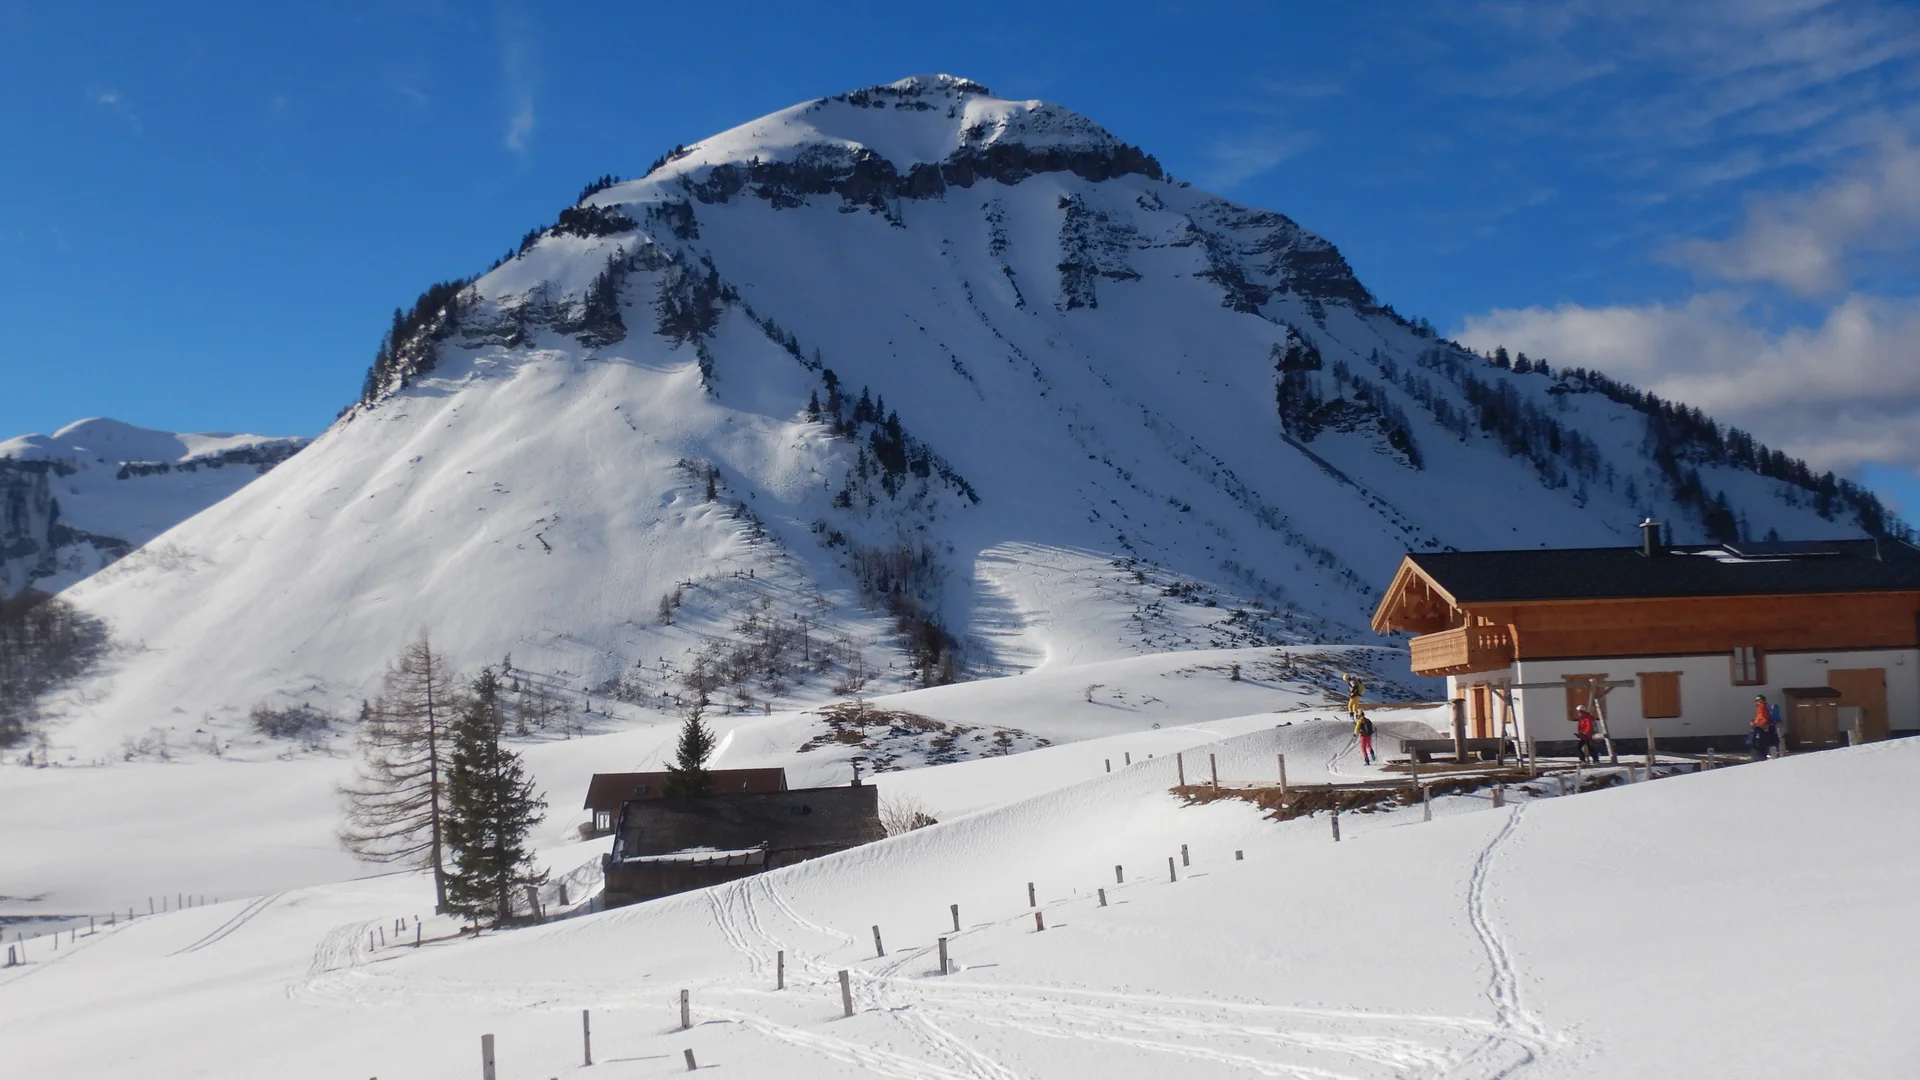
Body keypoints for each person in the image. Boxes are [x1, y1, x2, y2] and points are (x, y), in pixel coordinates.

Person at [1750, 694, 1778, 761]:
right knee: (1770, 743)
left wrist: (1754, 723)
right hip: (1768, 727)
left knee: (1760, 745)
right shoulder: (1766, 707)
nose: (1757, 702)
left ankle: (1763, 758)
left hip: (1763, 728)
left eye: (1758, 701)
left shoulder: (1761, 707)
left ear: (1761, 701)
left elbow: (1762, 718)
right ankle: (1772, 755)